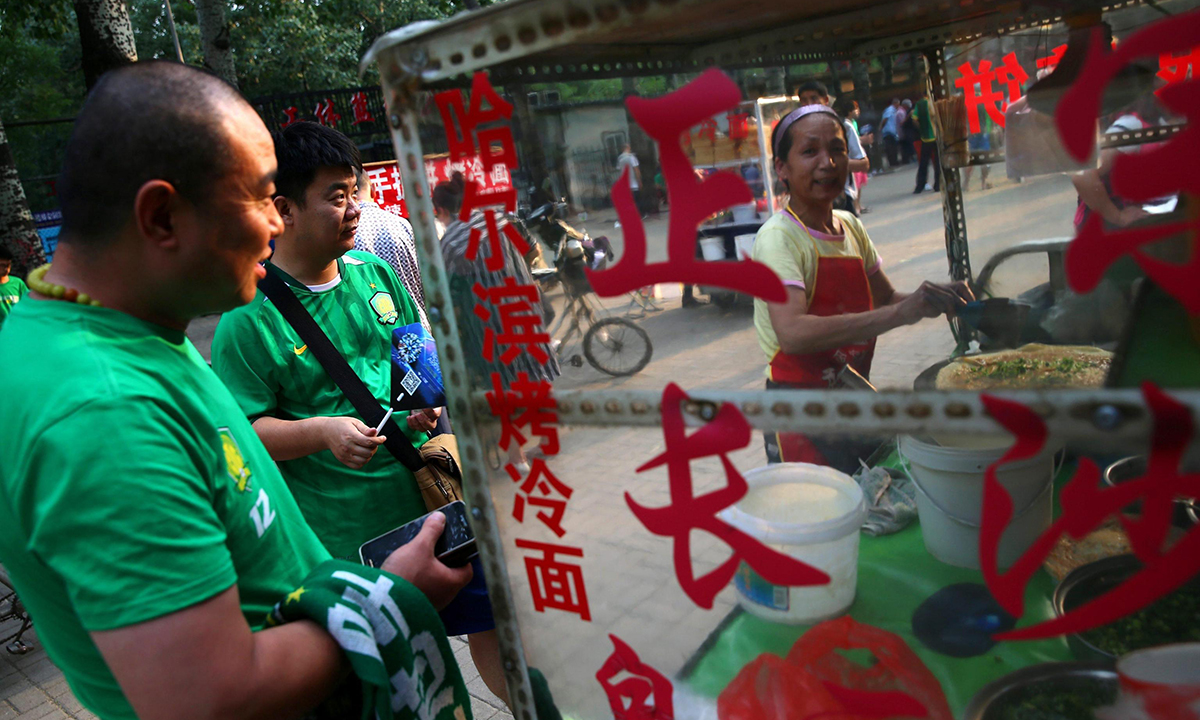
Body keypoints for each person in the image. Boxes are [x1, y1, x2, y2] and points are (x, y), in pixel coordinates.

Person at [0, 61, 470, 720]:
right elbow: (211, 696)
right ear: (162, 215)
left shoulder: (109, 332)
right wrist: (389, 594)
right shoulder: (102, 410)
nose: (275, 225)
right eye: (259, 197)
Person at [211, 121, 509, 705]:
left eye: (355, 191)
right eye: (335, 195)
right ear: (284, 208)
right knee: (401, 671)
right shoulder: (245, 319)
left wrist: (423, 406)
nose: (354, 209)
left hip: (432, 503)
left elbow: (409, 359)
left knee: (494, 625)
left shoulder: (374, 272)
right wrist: (322, 432)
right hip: (351, 539)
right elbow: (246, 434)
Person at [752, 104, 973, 472]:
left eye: (837, 150)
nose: (828, 163)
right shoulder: (779, 239)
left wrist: (930, 300)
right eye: (810, 152)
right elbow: (791, 333)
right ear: (782, 169)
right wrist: (898, 314)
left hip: (850, 396)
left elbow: (886, 300)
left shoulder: (850, 225)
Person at [435, 173, 560, 466]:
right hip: (524, 310)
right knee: (535, 379)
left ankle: (517, 458)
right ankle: (548, 441)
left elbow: (448, 291)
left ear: (440, 211)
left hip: (490, 325)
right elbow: (530, 252)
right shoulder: (499, 220)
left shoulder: (452, 241)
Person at [353, 166, 430, 330]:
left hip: (376, 332)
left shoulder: (347, 232)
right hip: (416, 325)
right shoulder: (401, 224)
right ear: (374, 190)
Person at [797, 82, 869, 217]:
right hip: (812, 200)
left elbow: (864, 164)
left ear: (825, 100)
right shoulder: (798, 132)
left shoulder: (843, 127)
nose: (808, 104)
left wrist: (834, 163)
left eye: (813, 98)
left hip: (840, 198)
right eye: (804, 100)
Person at [833, 95, 871, 214]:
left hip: (846, 181)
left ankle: (857, 206)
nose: (858, 111)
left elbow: (863, 162)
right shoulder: (845, 124)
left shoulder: (848, 125)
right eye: (855, 108)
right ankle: (857, 206)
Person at [911, 96, 940, 194]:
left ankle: (920, 186)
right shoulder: (936, 101)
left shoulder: (920, 104)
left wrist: (921, 129)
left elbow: (914, 119)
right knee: (938, 162)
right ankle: (938, 185)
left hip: (926, 138)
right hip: (937, 137)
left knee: (923, 163)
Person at [0, 247, 28, 330]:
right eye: (2, 265)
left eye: (8, 265)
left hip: (19, 329)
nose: (6, 268)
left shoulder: (18, 283)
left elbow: (28, 304)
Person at [881, 98, 901, 168]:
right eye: (898, 104)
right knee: (890, 148)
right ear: (895, 104)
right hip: (888, 132)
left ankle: (894, 161)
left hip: (892, 132)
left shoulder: (893, 110)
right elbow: (885, 119)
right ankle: (892, 162)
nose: (898, 106)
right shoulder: (890, 110)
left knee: (893, 148)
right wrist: (881, 128)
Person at [899, 98, 917, 164]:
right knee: (910, 145)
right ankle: (912, 157)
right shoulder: (904, 112)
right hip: (909, 131)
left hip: (909, 131)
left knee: (911, 145)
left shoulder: (908, 112)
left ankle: (912, 157)